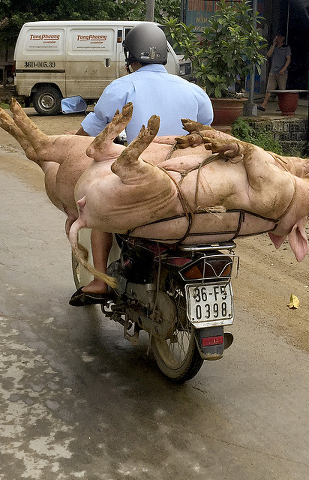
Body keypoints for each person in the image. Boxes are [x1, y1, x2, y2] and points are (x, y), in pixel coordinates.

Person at [70, 22, 213, 306]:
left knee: (101, 208)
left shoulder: (123, 87)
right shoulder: (192, 90)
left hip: (144, 177)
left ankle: (100, 281)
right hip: (187, 178)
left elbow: (89, 133)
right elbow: (205, 128)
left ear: (130, 57)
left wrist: (70, 146)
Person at [258, 34, 291, 112]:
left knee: (282, 90)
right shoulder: (274, 47)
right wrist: (273, 44)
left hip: (282, 72)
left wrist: (283, 69)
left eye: (281, 36)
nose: (279, 38)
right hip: (273, 71)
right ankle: (264, 104)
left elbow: (288, 60)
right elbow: (268, 55)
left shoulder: (286, 48)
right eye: (278, 36)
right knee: (269, 89)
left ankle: (281, 106)